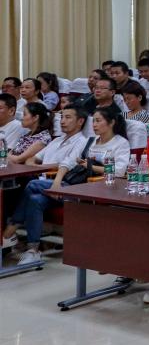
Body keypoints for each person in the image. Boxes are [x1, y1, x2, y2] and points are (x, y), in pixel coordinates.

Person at [1, 105, 90, 264]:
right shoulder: (57, 140)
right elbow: (32, 159)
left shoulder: (82, 142)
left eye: (68, 117)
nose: (62, 121)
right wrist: (39, 165)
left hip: (65, 187)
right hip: (43, 186)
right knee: (34, 200)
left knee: (31, 184)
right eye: (62, 117)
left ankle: (11, 229)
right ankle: (33, 250)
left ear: (80, 121)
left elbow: (67, 164)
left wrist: (42, 167)